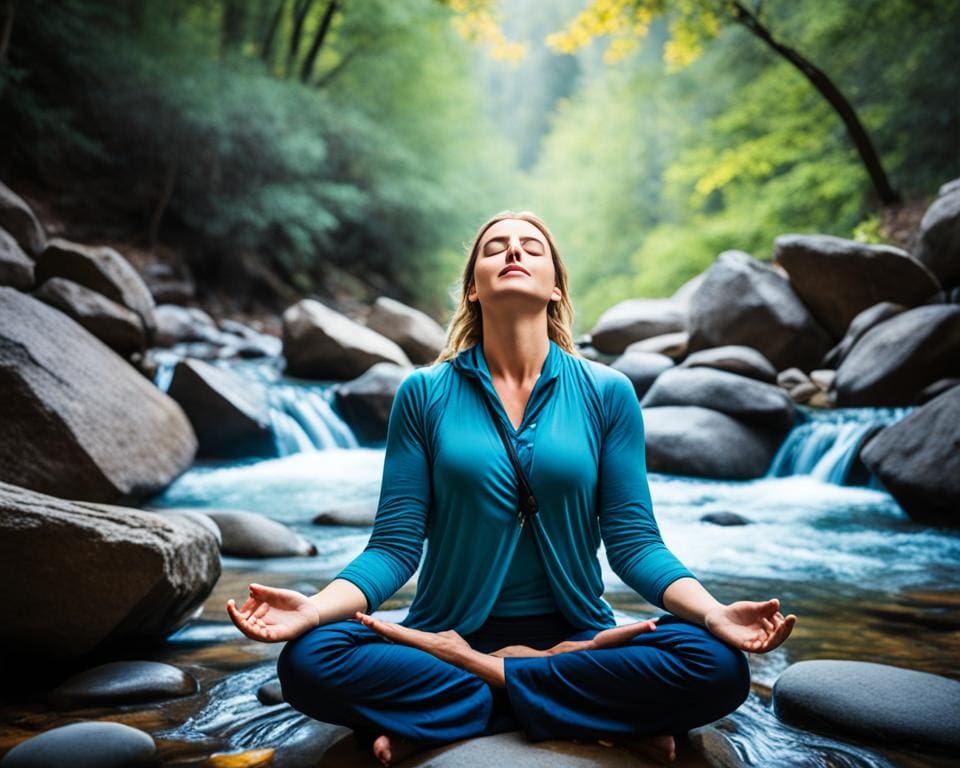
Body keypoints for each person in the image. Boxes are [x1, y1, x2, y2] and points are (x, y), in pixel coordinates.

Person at [227, 211, 797, 766]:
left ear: (555, 288)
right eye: (495, 247)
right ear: (474, 288)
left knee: (715, 663)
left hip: (572, 634)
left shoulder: (609, 392)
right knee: (309, 658)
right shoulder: (423, 392)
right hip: (446, 633)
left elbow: (634, 543)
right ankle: (586, 709)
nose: (514, 252)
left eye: (532, 247)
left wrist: (713, 612)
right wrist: (315, 608)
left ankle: (461, 703)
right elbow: (395, 547)